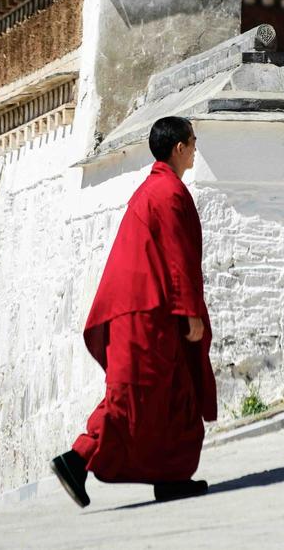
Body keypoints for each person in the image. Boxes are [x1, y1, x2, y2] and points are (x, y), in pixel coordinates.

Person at [50, 116, 216, 507]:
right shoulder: (168, 193)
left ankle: (172, 476)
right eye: (193, 141)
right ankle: (78, 458)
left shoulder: (157, 188)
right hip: (144, 313)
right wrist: (191, 311)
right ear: (179, 148)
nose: (195, 147)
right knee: (131, 397)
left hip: (147, 309)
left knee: (177, 396)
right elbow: (178, 259)